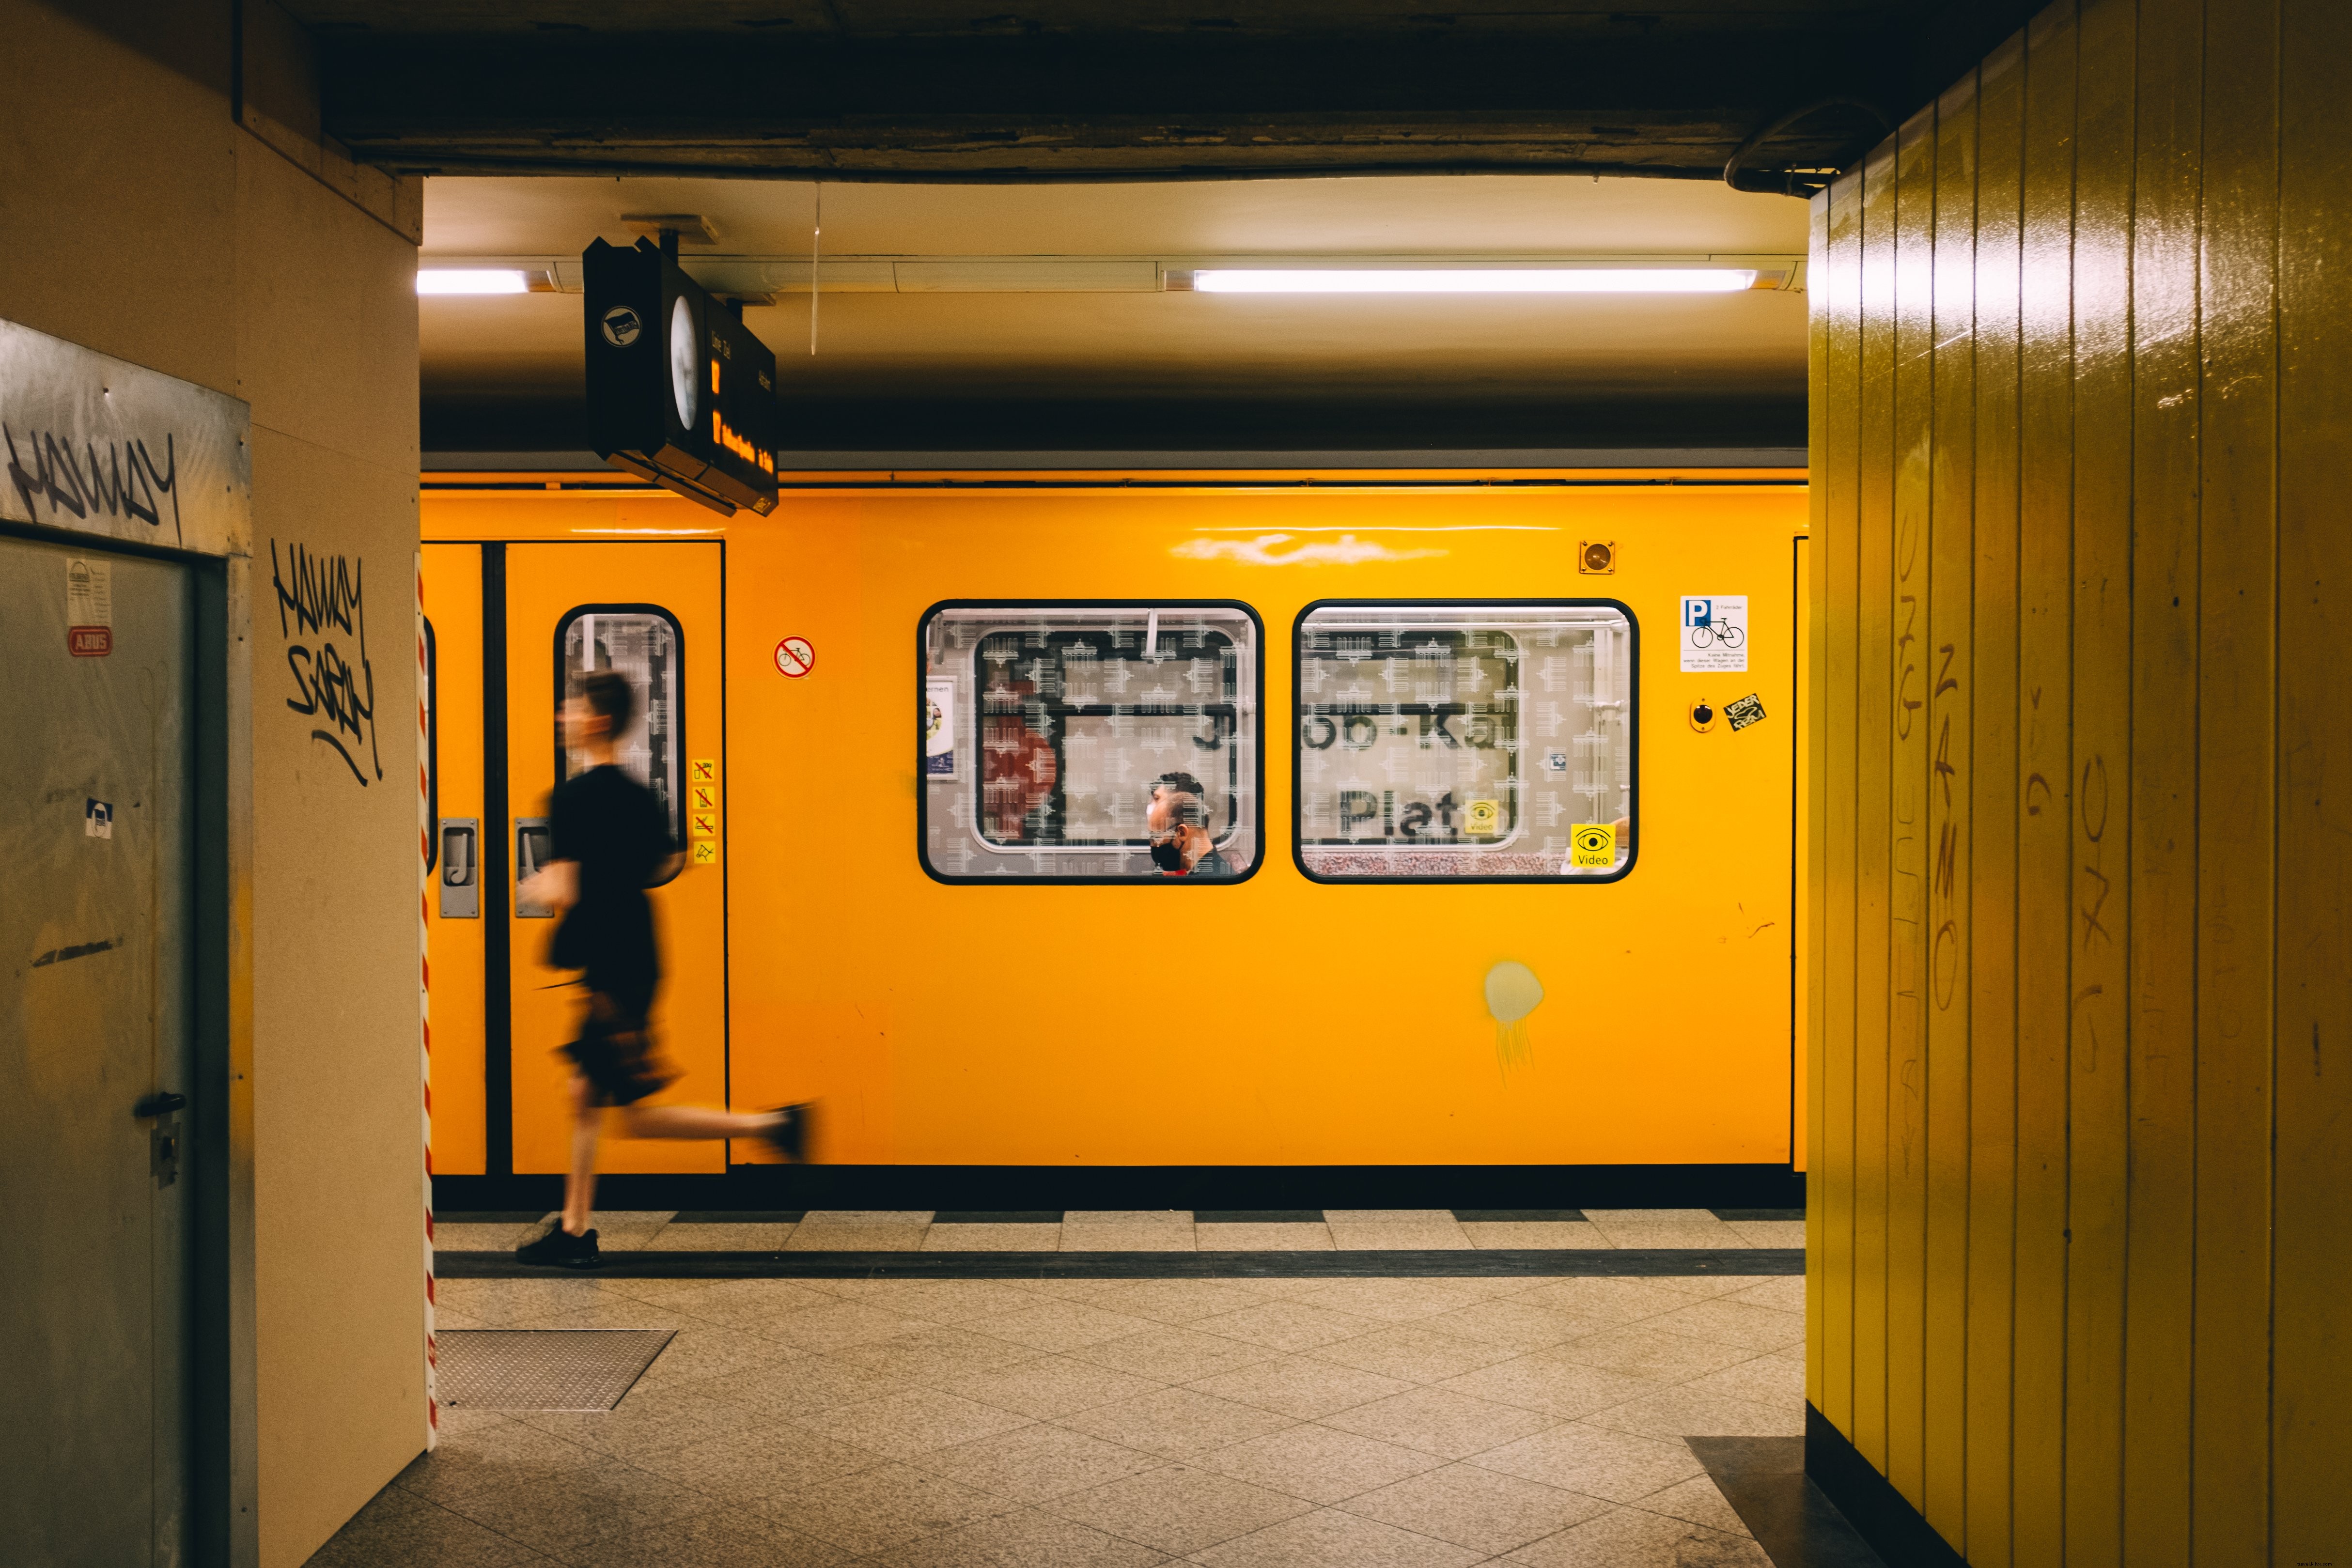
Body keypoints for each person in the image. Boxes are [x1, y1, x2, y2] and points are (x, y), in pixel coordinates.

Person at [514, 670, 810, 1268]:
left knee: (638, 1115)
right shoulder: (639, 794)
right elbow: (667, 861)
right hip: (639, 954)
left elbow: (570, 884)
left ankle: (773, 1126)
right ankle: (574, 1228)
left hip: (610, 968)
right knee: (585, 1093)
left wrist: (546, 885)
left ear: (596, 721)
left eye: (570, 709)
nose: (561, 717)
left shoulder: (569, 798)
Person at [1138, 771, 1232, 877]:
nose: (1155, 845)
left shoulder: (1208, 883)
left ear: (1181, 833)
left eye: (1156, 838)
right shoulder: (1188, 872)